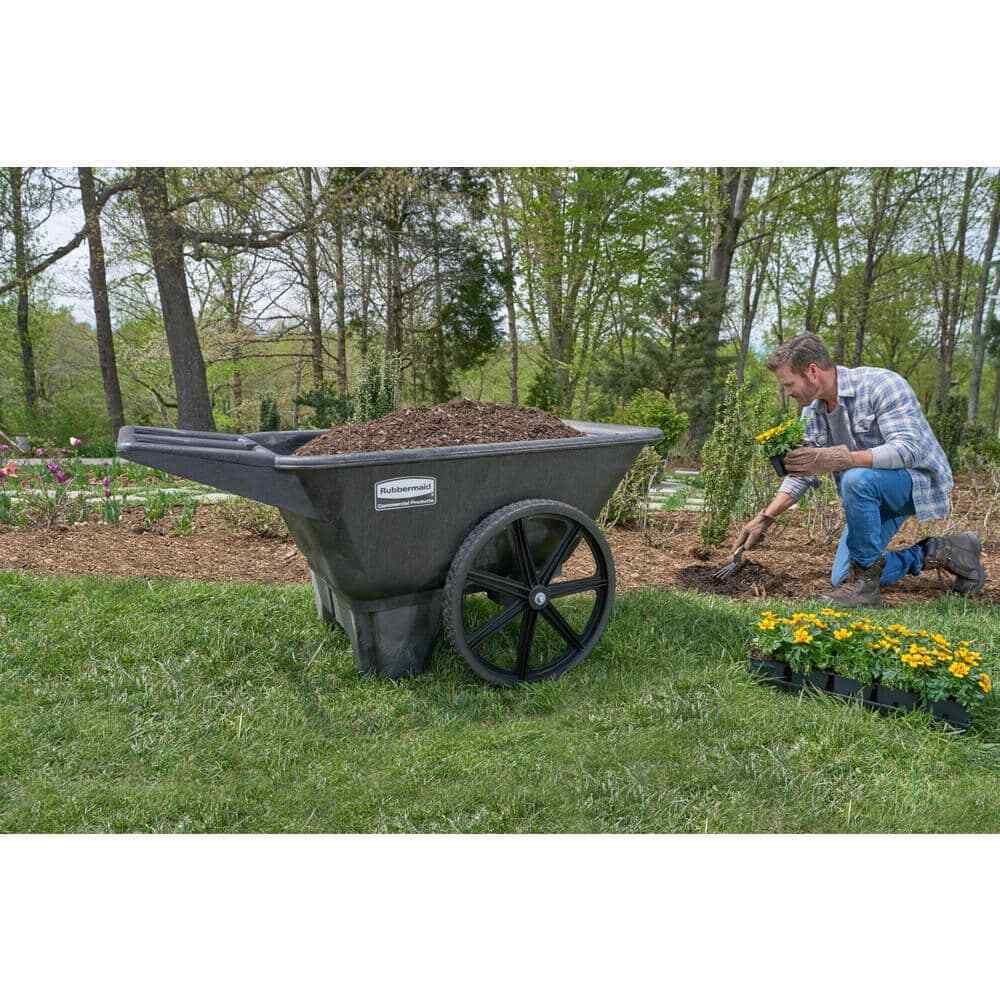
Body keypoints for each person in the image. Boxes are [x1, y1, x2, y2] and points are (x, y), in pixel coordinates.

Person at [733, 333, 986, 607]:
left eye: (789, 384)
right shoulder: (812, 413)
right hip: (868, 493)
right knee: (843, 576)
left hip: (916, 482)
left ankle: (865, 590)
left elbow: (909, 450)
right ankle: (946, 552)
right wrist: (766, 517)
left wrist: (841, 458)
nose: (787, 392)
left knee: (856, 478)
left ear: (812, 372)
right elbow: (803, 475)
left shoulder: (882, 384)